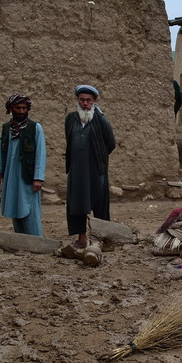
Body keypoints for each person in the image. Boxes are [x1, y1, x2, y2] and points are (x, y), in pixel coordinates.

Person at [64, 84, 116, 249]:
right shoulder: (70, 119)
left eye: (88, 100)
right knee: (77, 203)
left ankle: (101, 240)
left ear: (93, 101)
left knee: (100, 204)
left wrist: (97, 157)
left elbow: (111, 143)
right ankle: (82, 238)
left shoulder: (100, 120)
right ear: (78, 100)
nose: (85, 103)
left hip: (96, 171)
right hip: (77, 171)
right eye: (82, 100)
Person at [0, 94, 46, 236]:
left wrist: (38, 178)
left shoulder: (35, 128)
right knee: (14, 208)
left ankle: (36, 241)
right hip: (11, 176)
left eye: (24, 108)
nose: (21, 111)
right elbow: (1, 152)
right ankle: (21, 241)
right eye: (18, 108)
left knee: (30, 209)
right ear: (11, 109)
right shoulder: (6, 129)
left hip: (28, 176)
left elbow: (41, 154)